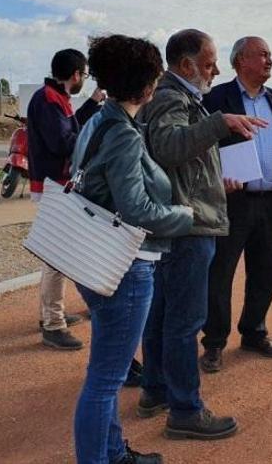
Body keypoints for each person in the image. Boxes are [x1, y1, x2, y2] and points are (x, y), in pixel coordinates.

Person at [70, 34, 193, 464]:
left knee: (106, 370)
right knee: (106, 380)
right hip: (125, 264)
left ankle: (113, 453)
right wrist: (185, 216)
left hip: (94, 256)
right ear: (146, 86)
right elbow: (137, 208)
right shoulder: (122, 133)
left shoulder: (99, 120)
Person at [137, 29, 265, 440]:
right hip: (188, 226)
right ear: (186, 64)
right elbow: (169, 146)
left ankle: (156, 390)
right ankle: (185, 409)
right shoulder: (172, 97)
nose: (214, 72)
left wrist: (216, 178)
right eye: (209, 65)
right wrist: (219, 122)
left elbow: (181, 161)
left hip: (180, 220)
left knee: (162, 314)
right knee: (184, 320)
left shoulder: (178, 96)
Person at [199, 36, 272, 372]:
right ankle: (214, 342)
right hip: (231, 202)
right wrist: (217, 178)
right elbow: (201, 147)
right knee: (219, 274)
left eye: (270, 54)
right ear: (241, 60)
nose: (270, 60)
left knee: (265, 272)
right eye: (263, 54)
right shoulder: (215, 98)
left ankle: (254, 332)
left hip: (270, 202)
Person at [26, 48, 104, 350]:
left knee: (57, 257)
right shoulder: (48, 99)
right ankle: (52, 323)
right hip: (54, 186)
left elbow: (70, 130)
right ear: (75, 74)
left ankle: (51, 315)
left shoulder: (55, 98)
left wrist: (92, 104)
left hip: (57, 184)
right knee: (56, 259)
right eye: (84, 74)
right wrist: (95, 139)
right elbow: (63, 143)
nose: (84, 79)